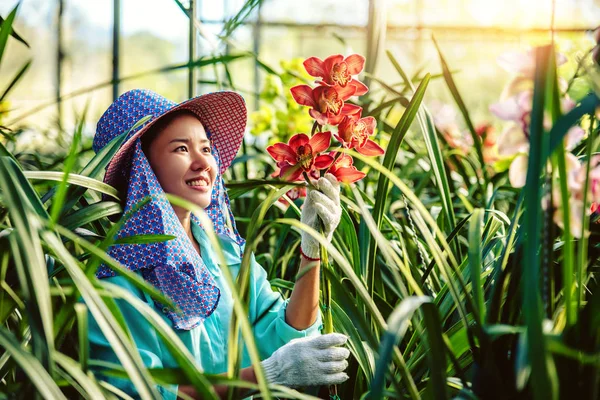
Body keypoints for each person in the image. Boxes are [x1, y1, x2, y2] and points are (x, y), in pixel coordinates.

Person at [87, 89, 350, 399]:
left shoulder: (229, 255)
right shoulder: (116, 282)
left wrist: (312, 251)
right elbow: (143, 393)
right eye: (182, 149)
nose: (203, 163)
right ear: (142, 169)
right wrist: (267, 375)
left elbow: (287, 337)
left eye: (207, 148)